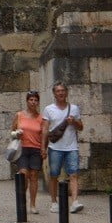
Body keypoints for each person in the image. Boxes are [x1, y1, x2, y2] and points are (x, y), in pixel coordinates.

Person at [42, 81, 84, 214]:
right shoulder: (48, 109)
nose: (61, 93)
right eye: (58, 91)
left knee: (74, 174)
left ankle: (75, 202)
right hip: (55, 147)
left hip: (72, 147)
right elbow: (44, 129)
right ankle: (54, 202)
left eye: (63, 91)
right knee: (54, 175)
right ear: (54, 93)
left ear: (66, 92)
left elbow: (81, 127)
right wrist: (43, 148)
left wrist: (74, 122)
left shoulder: (74, 108)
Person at [11, 90, 46, 214]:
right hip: (22, 148)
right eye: (31, 100)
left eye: (35, 100)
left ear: (38, 102)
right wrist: (17, 133)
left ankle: (32, 204)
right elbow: (12, 131)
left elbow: (43, 135)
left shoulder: (41, 118)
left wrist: (43, 148)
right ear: (27, 101)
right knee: (24, 174)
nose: (33, 102)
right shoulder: (19, 115)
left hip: (36, 149)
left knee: (34, 176)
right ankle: (22, 200)